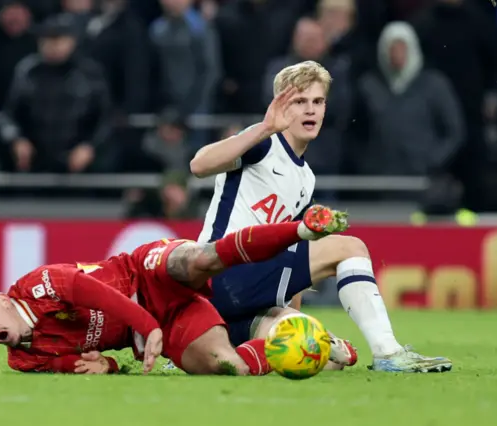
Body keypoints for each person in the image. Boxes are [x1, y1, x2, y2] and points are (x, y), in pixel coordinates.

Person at [189, 60, 452, 373]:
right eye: (299, 102)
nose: (310, 110)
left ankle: (214, 342)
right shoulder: (263, 144)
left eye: (317, 101)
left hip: (243, 297)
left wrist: (299, 322)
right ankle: (388, 352)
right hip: (221, 273)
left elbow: (292, 256)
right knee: (350, 247)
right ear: (279, 105)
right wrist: (264, 127)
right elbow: (199, 165)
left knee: (323, 358)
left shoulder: (305, 179)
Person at [0, 205, 348, 375]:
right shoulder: (22, 360)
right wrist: (105, 365)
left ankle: (301, 229)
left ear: (1, 298)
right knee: (231, 367)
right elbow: (79, 367)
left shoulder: (37, 285)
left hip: (144, 273)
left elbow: (97, 294)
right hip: (158, 325)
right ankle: (319, 347)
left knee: (201, 260)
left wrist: (146, 323)